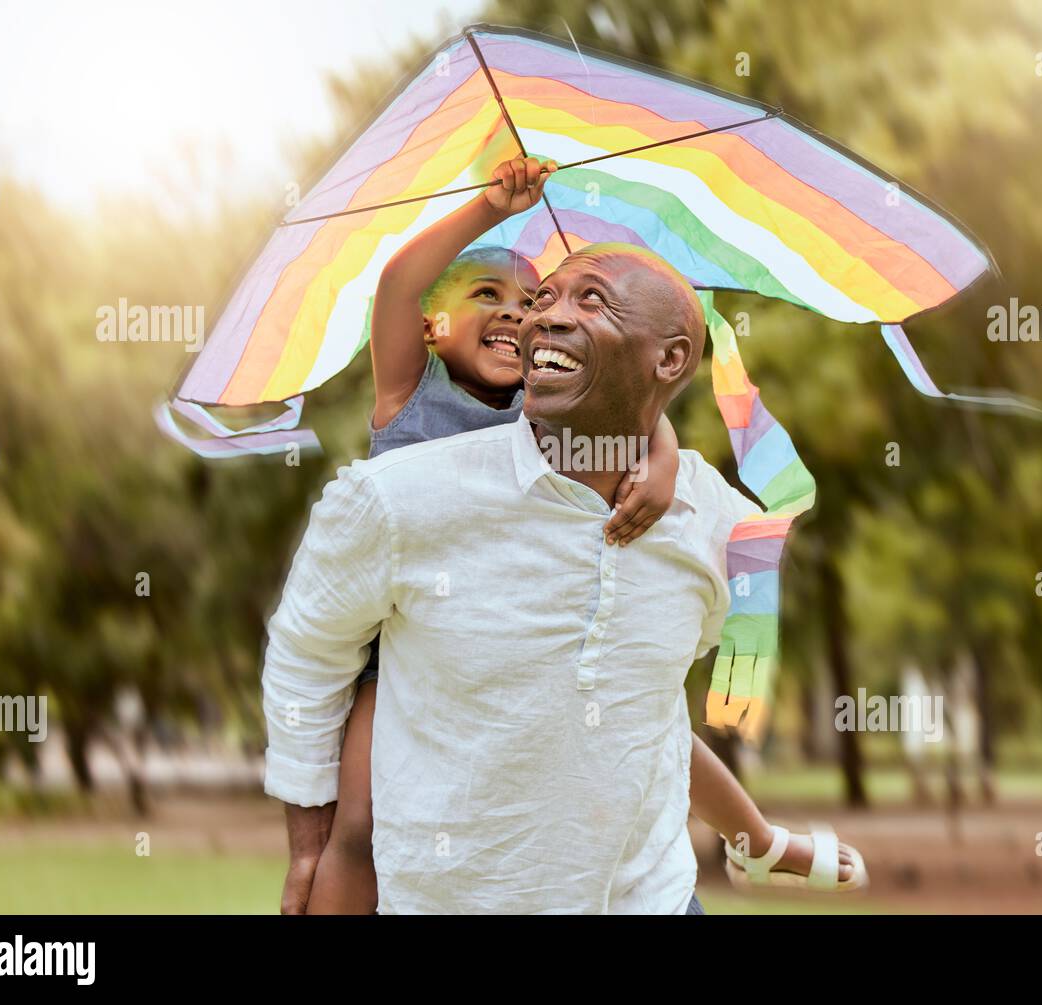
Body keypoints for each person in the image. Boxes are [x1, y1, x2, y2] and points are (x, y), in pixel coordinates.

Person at [263, 157, 861, 914]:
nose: (533, 315)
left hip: (656, 896)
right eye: (516, 298)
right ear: (430, 327)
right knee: (360, 820)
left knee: (647, 710)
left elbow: (623, 405)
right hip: (389, 653)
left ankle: (756, 839)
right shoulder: (406, 425)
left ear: (671, 359)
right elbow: (401, 286)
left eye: (577, 300)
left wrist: (664, 457)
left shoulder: (680, 500)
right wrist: (489, 205)